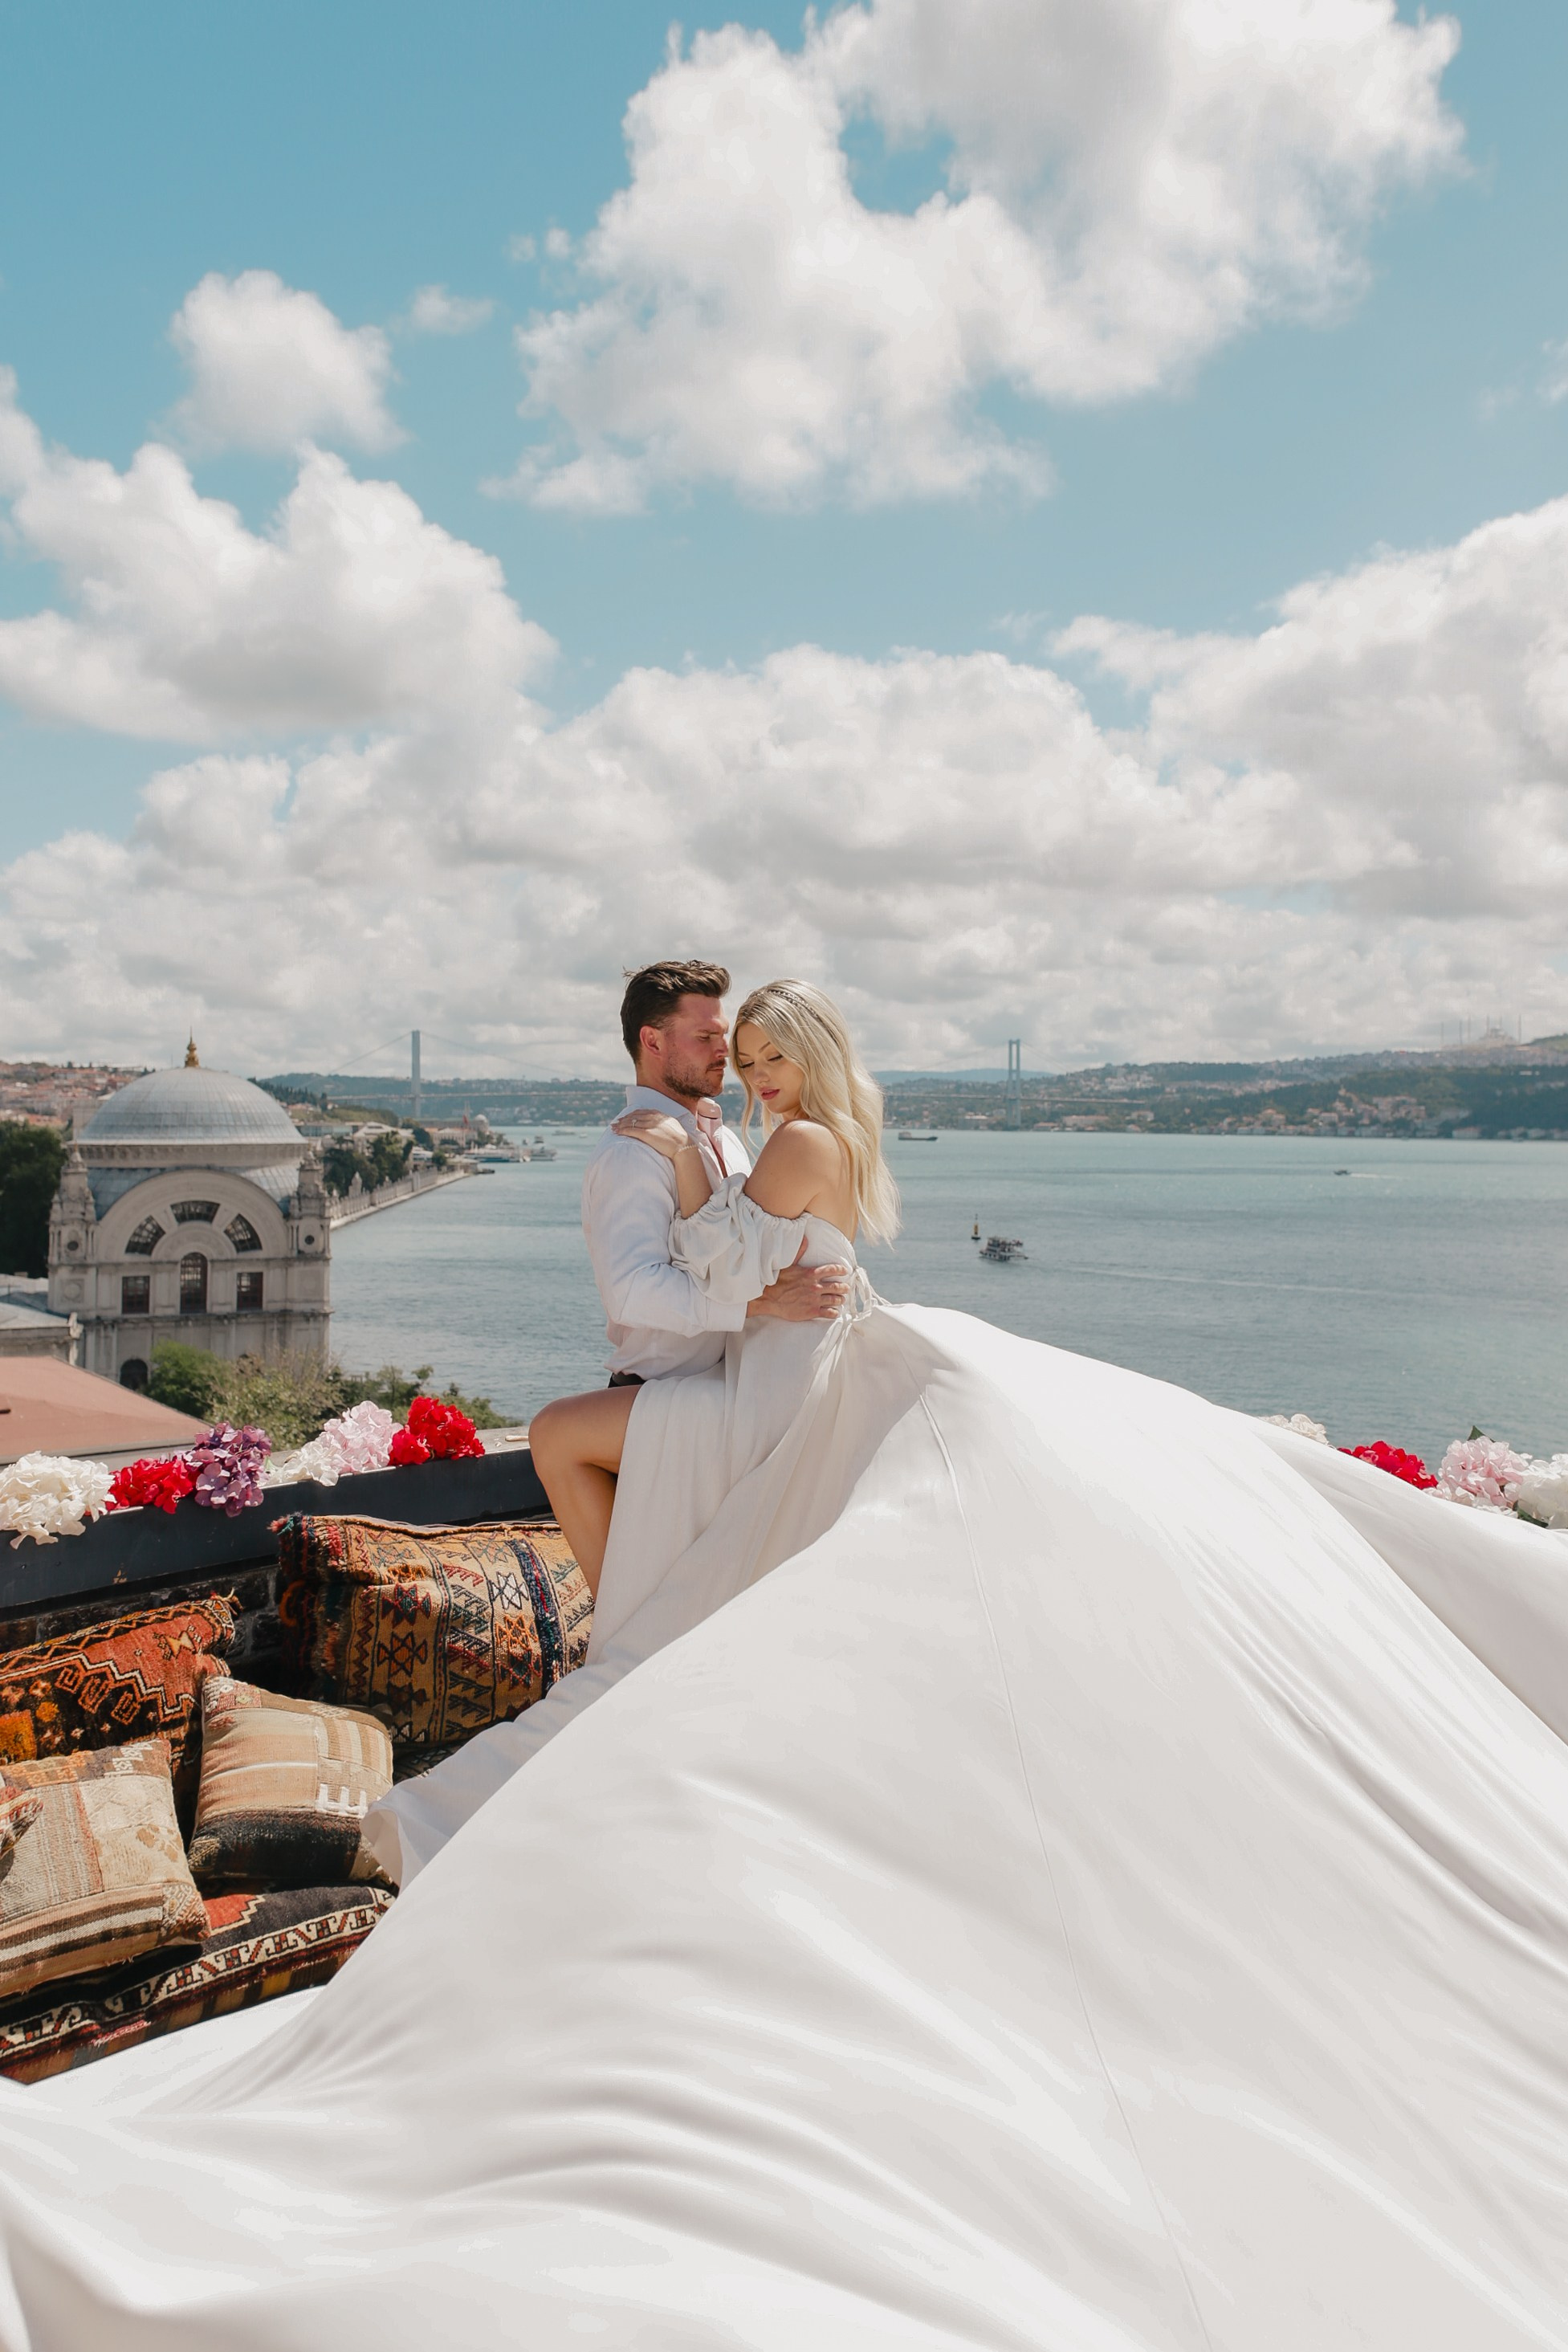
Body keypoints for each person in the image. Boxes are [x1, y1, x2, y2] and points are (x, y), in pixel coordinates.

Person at [6, 991, 1568, 2343]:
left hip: (793, 1378)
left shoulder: (794, 1141)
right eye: (736, 1057)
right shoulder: (798, 1134)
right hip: (795, 1367)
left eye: (765, 1056)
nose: (750, 1077)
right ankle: (637, 1641)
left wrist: (694, 1189)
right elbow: (740, 1271)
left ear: (803, 1059)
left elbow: (715, 1272)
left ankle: (634, 1647)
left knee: (702, 1545)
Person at [547, 962, 857, 1592]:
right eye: (707, 1037)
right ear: (651, 1041)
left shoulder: (731, 1142)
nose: (727, 1054)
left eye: (726, 1038)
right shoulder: (631, 1152)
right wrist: (758, 1305)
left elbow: (733, 1254)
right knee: (656, 1593)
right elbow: (633, 1291)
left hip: (737, 1392)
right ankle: (618, 1635)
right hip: (662, 1391)